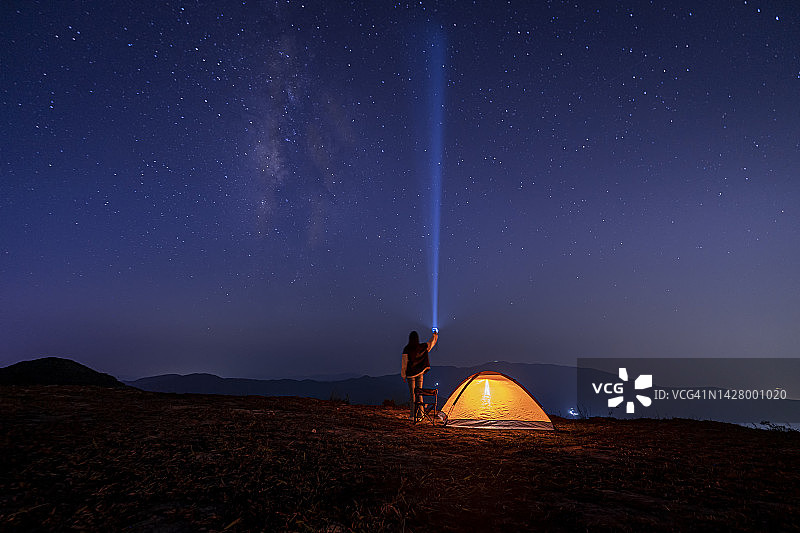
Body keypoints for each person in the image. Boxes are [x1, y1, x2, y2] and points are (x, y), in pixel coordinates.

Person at [401, 328, 438, 420]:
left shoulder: (407, 349)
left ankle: (412, 415)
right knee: (419, 393)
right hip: (420, 373)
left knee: (412, 395)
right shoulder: (422, 347)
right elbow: (431, 343)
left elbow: (404, 363)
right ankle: (420, 415)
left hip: (410, 374)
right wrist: (435, 335)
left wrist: (403, 375)